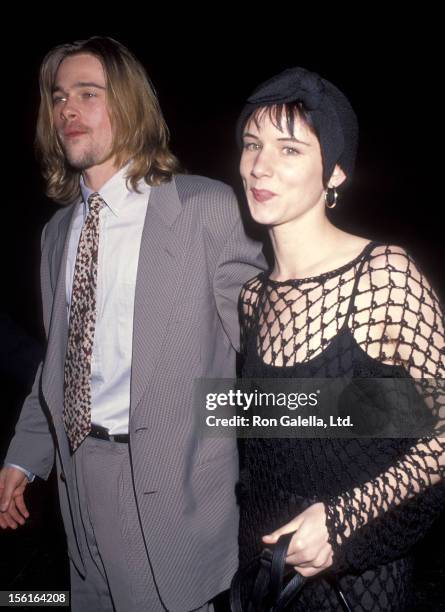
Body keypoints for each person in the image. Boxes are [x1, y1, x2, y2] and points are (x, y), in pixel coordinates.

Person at [0, 36, 265, 612]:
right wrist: (26, 455)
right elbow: (63, 360)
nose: (67, 109)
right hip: (76, 485)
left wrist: (375, 408)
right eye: (58, 96)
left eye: (88, 94)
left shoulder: (203, 211)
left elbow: (270, 350)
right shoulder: (57, 234)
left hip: (171, 494)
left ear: (129, 105)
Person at [235, 66, 445, 610]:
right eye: (252, 143)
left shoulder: (384, 276)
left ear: (335, 174)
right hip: (267, 575)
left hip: (358, 583)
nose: (259, 165)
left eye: (289, 150)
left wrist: (342, 521)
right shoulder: (253, 297)